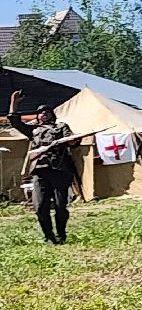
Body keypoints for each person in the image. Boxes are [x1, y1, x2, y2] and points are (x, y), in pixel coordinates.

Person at [8, 90, 85, 244]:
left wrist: (71, 141)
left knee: (60, 206)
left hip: (59, 171)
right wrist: (14, 103)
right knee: (40, 207)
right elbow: (15, 121)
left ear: (52, 115)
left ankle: (61, 235)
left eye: (47, 112)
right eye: (41, 112)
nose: (44, 114)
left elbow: (72, 141)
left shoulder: (61, 127)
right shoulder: (34, 130)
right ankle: (48, 237)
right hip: (40, 172)